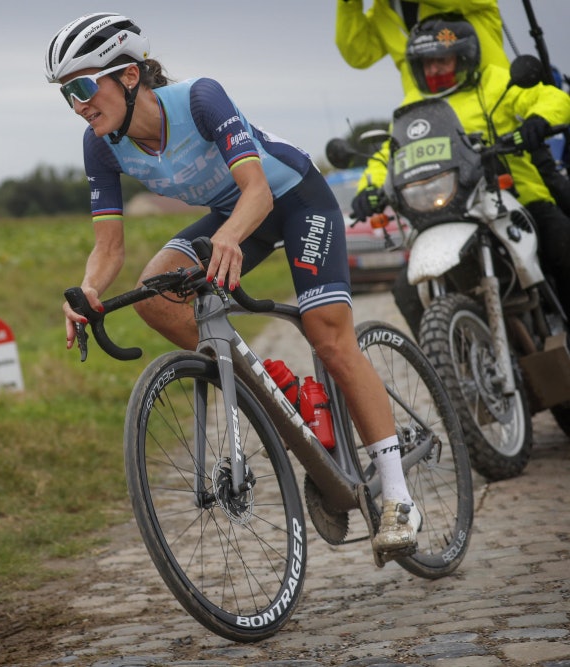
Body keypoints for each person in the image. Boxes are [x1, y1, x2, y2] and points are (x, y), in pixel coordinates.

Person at [47, 12, 421, 560]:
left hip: (291, 199)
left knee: (328, 336)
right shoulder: (100, 144)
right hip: (232, 213)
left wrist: (227, 238)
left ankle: (397, 497)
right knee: (155, 292)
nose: (77, 103)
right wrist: (85, 292)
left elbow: (257, 190)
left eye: (82, 86)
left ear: (129, 75)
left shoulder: (200, 99)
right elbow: (109, 248)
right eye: (67, 95)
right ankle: (278, 388)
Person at [351, 14, 570, 335]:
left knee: (560, 242)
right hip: (453, 207)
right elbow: (389, 153)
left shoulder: (496, 81)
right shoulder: (414, 105)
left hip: (517, 197)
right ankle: (451, 374)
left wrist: (538, 119)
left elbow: (552, 97)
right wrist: (367, 188)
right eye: (425, 63)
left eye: (441, 60)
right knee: (406, 289)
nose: (433, 69)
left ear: (464, 57)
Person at [335, 0, 507, 98]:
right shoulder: (384, 9)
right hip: (430, 120)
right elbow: (358, 53)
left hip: (494, 106)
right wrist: (348, 4)